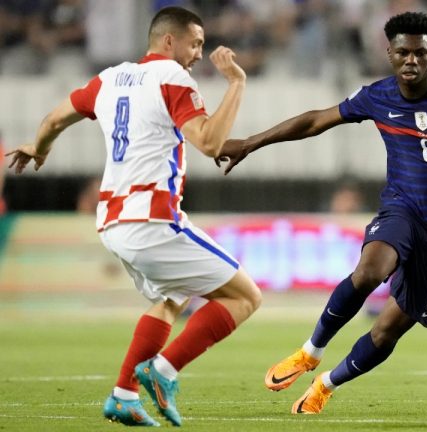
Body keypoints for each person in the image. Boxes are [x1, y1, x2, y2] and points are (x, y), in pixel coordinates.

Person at [217, 11, 427, 415]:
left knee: (386, 330)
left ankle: (325, 385)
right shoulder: (377, 96)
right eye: (403, 52)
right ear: (389, 53)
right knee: (368, 272)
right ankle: (310, 351)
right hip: (404, 209)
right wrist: (251, 143)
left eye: (419, 53)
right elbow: (315, 121)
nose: (411, 60)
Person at [5, 7, 261, 427]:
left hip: (113, 221)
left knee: (172, 297)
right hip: (152, 219)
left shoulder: (109, 78)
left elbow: (54, 118)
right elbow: (211, 143)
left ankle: (124, 394)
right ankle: (163, 371)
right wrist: (236, 82)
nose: (198, 53)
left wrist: (40, 148)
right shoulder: (174, 78)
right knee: (246, 297)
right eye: (194, 43)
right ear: (168, 41)